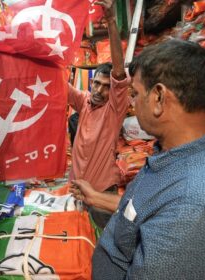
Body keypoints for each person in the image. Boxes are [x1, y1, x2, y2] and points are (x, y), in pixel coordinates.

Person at [74, 39, 205, 279]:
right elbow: (146, 210)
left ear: (159, 98)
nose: (132, 102)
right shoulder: (172, 154)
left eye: (135, 93)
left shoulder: (196, 208)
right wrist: (96, 197)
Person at [68, 0, 129, 194]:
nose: (99, 90)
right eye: (96, 84)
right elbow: (58, 85)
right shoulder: (83, 101)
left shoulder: (114, 110)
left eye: (106, 87)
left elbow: (119, 73)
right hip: (76, 188)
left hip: (102, 191)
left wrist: (110, 20)